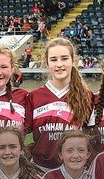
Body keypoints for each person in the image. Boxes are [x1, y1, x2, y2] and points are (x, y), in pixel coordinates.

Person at [29, 38, 94, 172]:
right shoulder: (34, 96)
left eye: (64, 59)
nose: (59, 64)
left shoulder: (87, 96)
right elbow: (23, 136)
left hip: (76, 173)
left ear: (73, 61)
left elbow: (91, 138)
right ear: (47, 63)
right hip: (40, 171)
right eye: (54, 60)